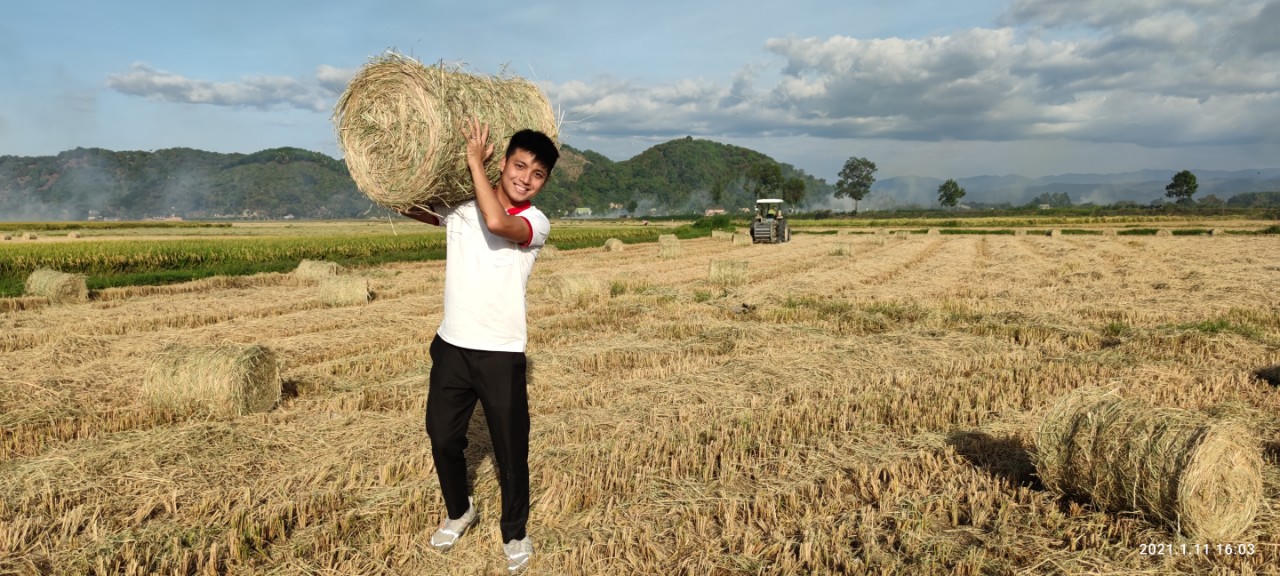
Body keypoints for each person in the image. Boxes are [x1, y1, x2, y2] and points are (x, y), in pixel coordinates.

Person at [399, 118, 558, 574]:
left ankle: (515, 532)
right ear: (503, 162)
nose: (525, 178)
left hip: (500, 353)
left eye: (537, 174)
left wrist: (473, 163)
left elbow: (496, 221)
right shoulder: (461, 208)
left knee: (510, 449)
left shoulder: (534, 222)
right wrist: (393, 169)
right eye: (519, 166)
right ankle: (459, 510)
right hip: (451, 346)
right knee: (443, 437)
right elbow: (408, 205)